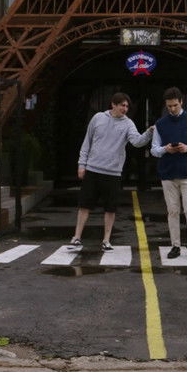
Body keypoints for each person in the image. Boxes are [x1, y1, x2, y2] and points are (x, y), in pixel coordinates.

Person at [69, 92, 154, 252]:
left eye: (127, 106)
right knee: (84, 206)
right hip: (93, 169)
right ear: (113, 105)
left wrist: (149, 132)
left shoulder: (128, 124)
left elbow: (136, 142)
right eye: (122, 105)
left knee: (110, 208)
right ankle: (76, 237)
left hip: (113, 173)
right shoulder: (98, 118)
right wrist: (82, 165)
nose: (125, 108)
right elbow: (87, 142)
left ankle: (106, 240)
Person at [150, 87, 187, 260]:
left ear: (181, 102)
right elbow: (154, 150)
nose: (172, 109)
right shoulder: (160, 123)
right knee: (173, 211)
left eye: (175, 105)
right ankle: (175, 245)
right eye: (169, 106)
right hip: (169, 173)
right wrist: (166, 149)